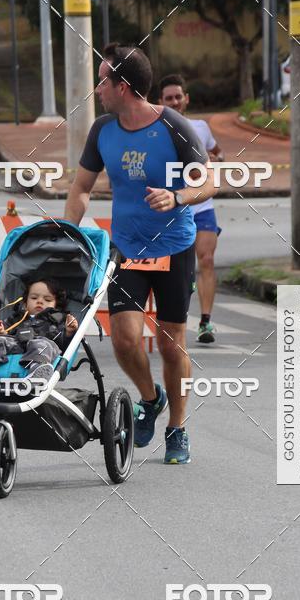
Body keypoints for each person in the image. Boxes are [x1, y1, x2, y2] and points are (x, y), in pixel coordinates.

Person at [64, 43, 217, 464]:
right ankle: (151, 399)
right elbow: (81, 188)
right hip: (128, 250)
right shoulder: (102, 130)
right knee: (125, 339)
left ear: (123, 87)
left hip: (174, 248)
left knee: (171, 343)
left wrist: (178, 196)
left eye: (102, 81)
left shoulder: (174, 126)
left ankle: (177, 427)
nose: (97, 89)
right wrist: (67, 232)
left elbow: (209, 182)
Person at [159, 73, 222, 344]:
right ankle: (176, 318)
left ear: (186, 98)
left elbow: (217, 151)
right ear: (160, 101)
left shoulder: (201, 127)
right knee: (177, 271)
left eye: (178, 97)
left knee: (206, 259)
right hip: (172, 207)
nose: (174, 102)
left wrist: (217, 161)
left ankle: (205, 322)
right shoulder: (156, 130)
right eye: (168, 98)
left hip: (202, 206)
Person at [0, 279, 78, 385]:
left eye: (47, 299)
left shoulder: (57, 319)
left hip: (43, 348)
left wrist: (69, 332)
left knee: (42, 344)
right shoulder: (17, 317)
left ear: (56, 304)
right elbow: (5, 336)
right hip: (16, 345)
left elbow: (62, 344)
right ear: (25, 302)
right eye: (34, 298)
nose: (39, 301)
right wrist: (1, 332)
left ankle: (37, 371)